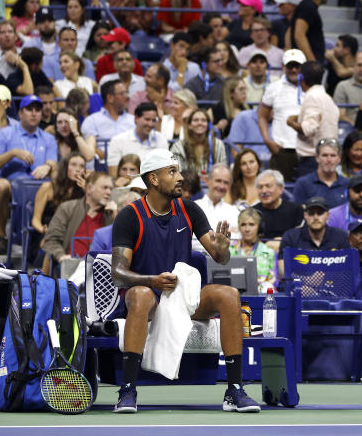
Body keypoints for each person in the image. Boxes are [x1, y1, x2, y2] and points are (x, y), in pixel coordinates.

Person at [109, 148, 261, 413]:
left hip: (181, 296)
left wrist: (223, 248)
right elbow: (118, 272)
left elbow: (219, 257)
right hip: (147, 296)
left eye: (178, 171)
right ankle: (128, 389)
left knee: (229, 295)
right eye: (172, 172)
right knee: (142, 294)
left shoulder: (189, 209)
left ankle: (234, 389)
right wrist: (151, 281)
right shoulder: (130, 216)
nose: (180, 177)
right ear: (154, 179)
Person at [0, 94, 59, 254]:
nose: (34, 113)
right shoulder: (6, 134)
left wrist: (48, 166)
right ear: (20, 113)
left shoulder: (48, 138)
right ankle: (1, 236)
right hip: (12, 185)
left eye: (37, 110)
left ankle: (47, 240)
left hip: (37, 187)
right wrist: (12, 153)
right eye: (29, 109)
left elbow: (54, 162)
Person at [32, 153, 88, 269]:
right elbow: (35, 221)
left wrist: (87, 191)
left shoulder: (85, 192)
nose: (78, 169)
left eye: (81, 166)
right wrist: (43, 229)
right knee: (49, 243)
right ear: (65, 167)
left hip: (72, 235)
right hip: (48, 234)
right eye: (73, 165)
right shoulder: (48, 187)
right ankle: (45, 282)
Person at [259, 49, 304, 181]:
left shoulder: (311, 87)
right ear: (283, 66)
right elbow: (261, 115)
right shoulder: (274, 87)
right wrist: (267, 139)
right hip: (282, 150)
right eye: (290, 66)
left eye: (297, 66)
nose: (294, 70)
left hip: (307, 150)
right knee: (277, 192)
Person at [277, 196, 351, 276]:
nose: (315, 217)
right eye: (311, 213)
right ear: (305, 215)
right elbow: (283, 271)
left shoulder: (341, 237)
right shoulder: (291, 237)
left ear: (328, 215)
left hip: (335, 285)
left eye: (320, 213)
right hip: (299, 286)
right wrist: (304, 281)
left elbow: (349, 269)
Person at [107, 102, 167, 177]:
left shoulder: (161, 140)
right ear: (136, 118)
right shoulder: (118, 141)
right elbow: (113, 175)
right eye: (147, 119)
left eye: (153, 120)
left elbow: (165, 171)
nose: (150, 124)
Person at [229, 208, 277, 293]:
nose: (247, 229)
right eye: (243, 225)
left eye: (251, 224)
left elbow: (273, 280)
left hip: (260, 294)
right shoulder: (230, 250)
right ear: (239, 227)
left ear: (259, 227)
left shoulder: (268, 252)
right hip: (233, 293)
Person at [291, 138, 347, 208]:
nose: (329, 160)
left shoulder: (347, 184)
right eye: (325, 155)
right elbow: (297, 212)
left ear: (339, 158)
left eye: (333, 155)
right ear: (317, 158)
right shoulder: (303, 184)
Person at [252, 169, 304, 245]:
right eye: (260, 187)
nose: (264, 191)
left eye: (268, 186)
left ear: (281, 189)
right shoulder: (252, 212)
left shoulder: (296, 210)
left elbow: (301, 238)